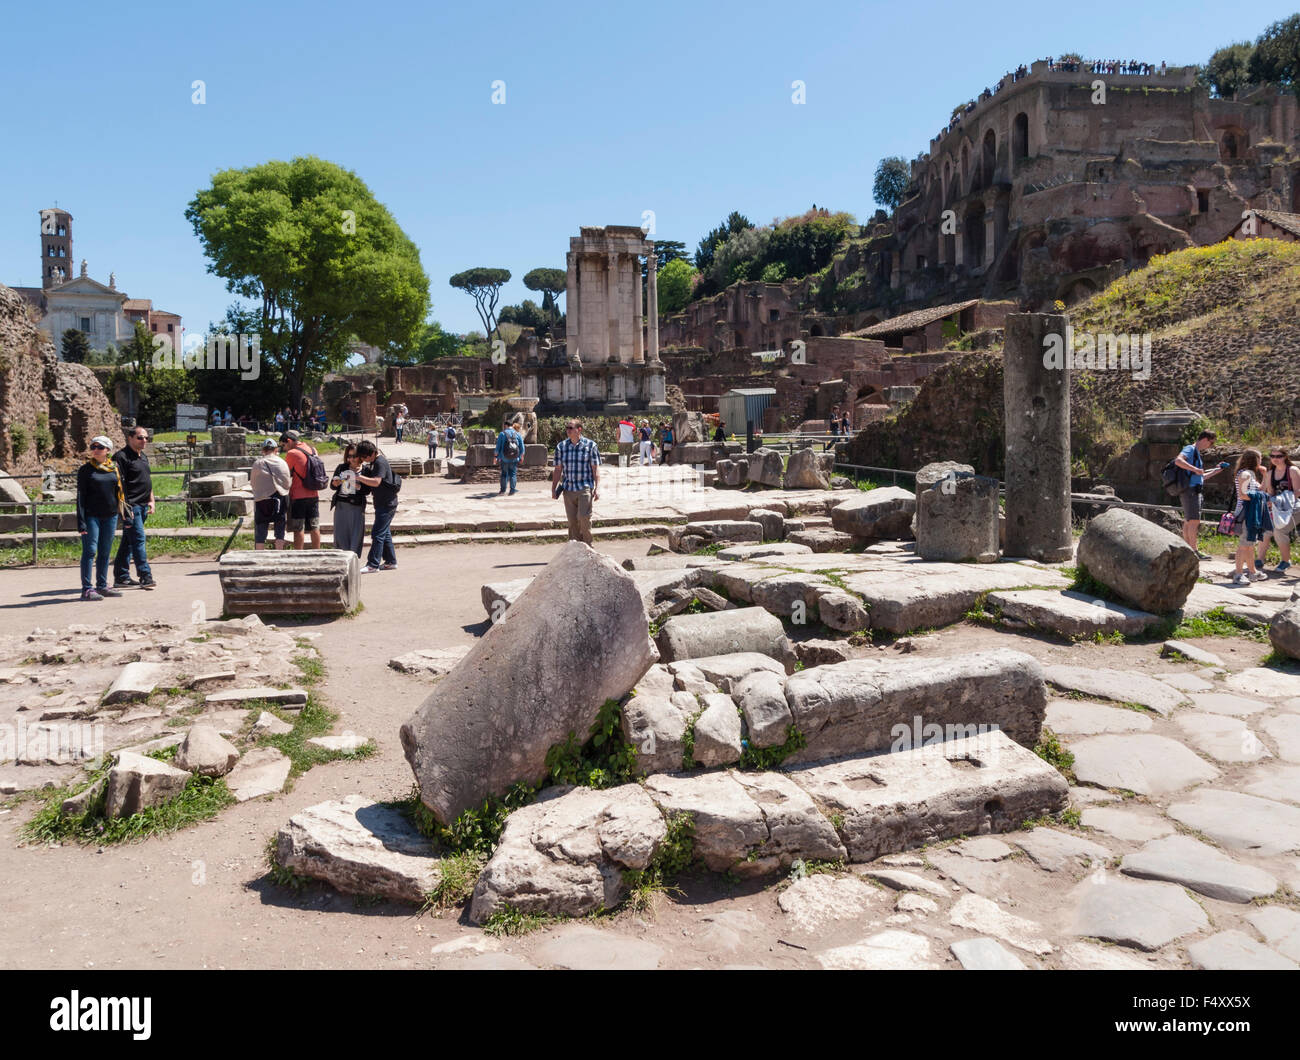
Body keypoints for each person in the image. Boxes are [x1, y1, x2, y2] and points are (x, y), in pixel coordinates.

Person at [76, 436, 128, 601]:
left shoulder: (115, 468)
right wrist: (81, 521)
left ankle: (102, 585)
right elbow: (81, 497)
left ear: (107, 450)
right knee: (90, 551)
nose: (95, 449)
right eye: (93, 446)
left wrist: (125, 515)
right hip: (92, 516)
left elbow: (120, 493)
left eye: (100, 447)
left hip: (110, 516)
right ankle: (86, 589)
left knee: (105, 552)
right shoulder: (85, 470)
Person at [1173, 429, 1229, 559]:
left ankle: (1188, 549)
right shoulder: (1190, 449)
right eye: (1211, 443)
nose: (1210, 446)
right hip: (1191, 491)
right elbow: (1178, 461)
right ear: (1205, 439)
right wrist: (1194, 469)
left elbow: (1201, 476)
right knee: (1194, 521)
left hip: (1192, 489)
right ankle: (1194, 551)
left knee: (1189, 521)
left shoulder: (1196, 453)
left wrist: (1217, 470)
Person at [112, 426, 155, 590]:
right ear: (130, 438)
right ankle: (145, 576)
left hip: (143, 505)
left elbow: (147, 480)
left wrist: (152, 500)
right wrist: (123, 508)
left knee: (129, 542)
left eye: (146, 438)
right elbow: (117, 485)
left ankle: (121, 577)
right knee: (138, 540)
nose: (144, 441)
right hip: (130, 506)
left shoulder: (143, 456)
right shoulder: (121, 457)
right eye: (140, 437)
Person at [552, 418, 600, 545]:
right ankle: (574, 550)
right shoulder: (561, 447)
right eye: (567, 428)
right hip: (568, 489)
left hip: (585, 487)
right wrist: (553, 488)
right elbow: (558, 469)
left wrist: (597, 488)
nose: (567, 430)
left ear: (579, 430)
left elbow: (595, 469)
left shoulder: (590, 446)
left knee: (584, 518)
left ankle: (588, 546)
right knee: (572, 522)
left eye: (570, 428)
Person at [355, 439, 399, 571]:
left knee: (377, 533)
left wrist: (358, 477)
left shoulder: (380, 462)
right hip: (383, 502)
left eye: (364, 457)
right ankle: (391, 561)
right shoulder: (375, 462)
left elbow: (376, 482)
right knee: (384, 533)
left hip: (387, 504)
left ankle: (372, 564)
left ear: (371, 454)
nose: (364, 460)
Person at [1231, 449, 1270, 585]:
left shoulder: (1251, 475)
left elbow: (1261, 490)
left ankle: (1252, 572)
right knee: (1243, 545)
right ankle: (1238, 574)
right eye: (1260, 458)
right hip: (1245, 513)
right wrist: (1258, 497)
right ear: (1254, 459)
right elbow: (1243, 495)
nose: (1261, 461)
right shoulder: (1245, 474)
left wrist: (1265, 475)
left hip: (1253, 513)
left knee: (1250, 545)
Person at [1258, 447, 1299, 575]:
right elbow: (1270, 492)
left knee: (1280, 530)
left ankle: (1286, 561)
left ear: (1285, 457)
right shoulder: (1270, 473)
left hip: (1295, 506)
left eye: (1279, 456)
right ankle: (1259, 559)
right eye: (1272, 456)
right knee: (1266, 528)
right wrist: (1271, 502)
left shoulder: (1292, 470)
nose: (1275, 459)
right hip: (1279, 506)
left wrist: (1283, 502)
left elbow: (1298, 491)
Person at [281, 430, 322, 550]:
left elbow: (286, 473)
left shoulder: (292, 453)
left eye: (284, 445)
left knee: (298, 528)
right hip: (313, 494)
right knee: (315, 526)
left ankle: (298, 554)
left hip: (298, 496)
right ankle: (317, 552)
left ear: (289, 441)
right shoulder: (313, 449)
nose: (284, 449)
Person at [250, 438, 291, 550]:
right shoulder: (282, 462)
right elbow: (287, 482)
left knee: (261, 530)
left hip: (262, 500)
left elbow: (253, 483)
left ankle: (259, 556)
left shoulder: (258, 463)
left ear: (263, 450)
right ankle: (279, 554)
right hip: (279, 498)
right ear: (276, 449)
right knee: (279, 528)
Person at [330, 442, 366, 556]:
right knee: (340, 535)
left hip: (356, 506)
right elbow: (332, 486)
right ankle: (342, 559)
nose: (352, 459)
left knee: (355, 535)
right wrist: (336, 483)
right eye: (349, 456)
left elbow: (368, 490)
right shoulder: (342, 467)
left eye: (354, 456)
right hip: (341, 505)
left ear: (360, 456)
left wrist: (356, 485)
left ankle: (352, 560)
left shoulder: (365, 470)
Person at [494, 418, 525, 495]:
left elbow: (498, 447)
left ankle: (503, 491)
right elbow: (522, 447)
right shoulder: (518, 434)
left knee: (504, 473)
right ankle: (512, 491)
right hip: (514, 458)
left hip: (504, 457)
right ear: (512, 425)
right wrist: (521, 457)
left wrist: (495, 457)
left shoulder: (502, 434)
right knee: (513, 474)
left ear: (506, 425)